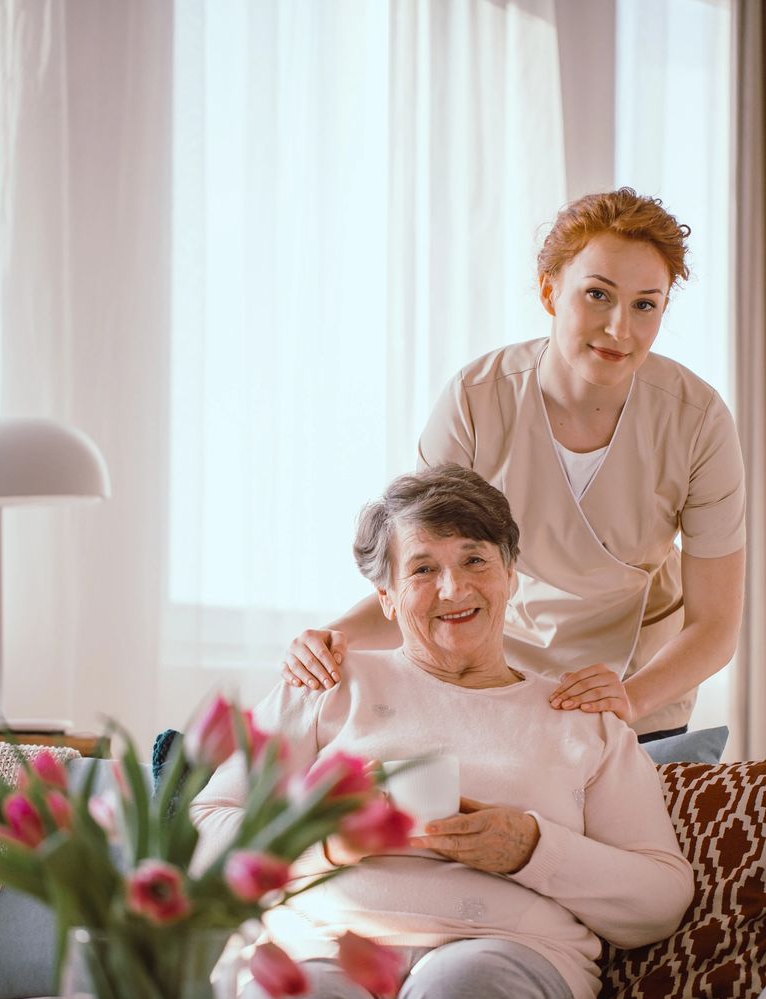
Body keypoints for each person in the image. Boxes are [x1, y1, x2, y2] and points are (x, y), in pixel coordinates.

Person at [192, 465, 694, 999]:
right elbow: (210, 826)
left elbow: (660, 895)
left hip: (509, 960)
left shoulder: (580, 717)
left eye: (475, 562)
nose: (454, 590)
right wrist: (327, 842)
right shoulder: (327, 687)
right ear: (387, 597)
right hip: (324, 948)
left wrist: (532, 849)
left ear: (512, 576)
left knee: (459, 986)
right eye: (423, 569)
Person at [280, 188, 746, 741]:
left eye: (645, 304)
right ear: (550, 291)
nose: (621, 328)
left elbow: (716, 626)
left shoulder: (698, 420)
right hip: (494, 681)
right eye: (598, 294)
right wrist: (332, 639)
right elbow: (421, 572)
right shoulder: (476, 400)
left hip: (640, 688)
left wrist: (628, 700)